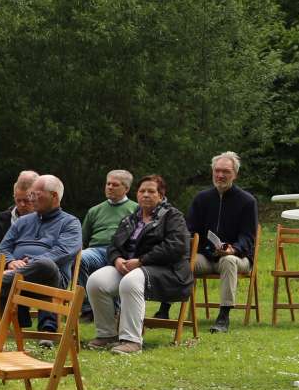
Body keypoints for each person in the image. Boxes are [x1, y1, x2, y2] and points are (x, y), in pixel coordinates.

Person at [86, 174, 192, 355]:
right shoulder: (131, 218)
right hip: (132, 268)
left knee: (131, 281)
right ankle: (107, 335)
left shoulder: (173, 216)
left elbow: (176, 247)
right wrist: (117, 259)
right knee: (96, 281)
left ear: (161, 195)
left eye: (151, 191)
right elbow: (114, 245)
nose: (146, 195)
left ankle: (131, 341)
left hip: (168, 272)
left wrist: (142, 261)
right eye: (142, 191)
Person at [0, 174, 82, 330]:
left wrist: (28, 263)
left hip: (51, 279)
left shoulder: (70, 223)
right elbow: (2, 248)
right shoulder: (22, 221)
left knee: (46, 264)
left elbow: (63, 252)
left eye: (35, 194)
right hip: (17, 275)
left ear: (54, 196)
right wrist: (11, 261)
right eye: (31, 194)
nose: (31, 199)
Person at [187, 151, 258, 333]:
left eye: (225, 171)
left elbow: (248, 237)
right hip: (208, 256)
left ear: (235, 174)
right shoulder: (201, 199)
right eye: (217, 171)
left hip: (238, 258)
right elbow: (191, 231)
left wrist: (233, 249)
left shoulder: (247, 201)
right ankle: (166, 308)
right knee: (185, 262)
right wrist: (208, 249)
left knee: (228, 261)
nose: (220, 175)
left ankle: (223, 317)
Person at [79, 170, 138, 294]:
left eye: (115, 185)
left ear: (126, 189)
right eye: (108, 184)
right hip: (96, 251)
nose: (110, 187)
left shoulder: (136, 209)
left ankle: (115, 309)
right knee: (80, 258)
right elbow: (82, 240)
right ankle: (86, 308)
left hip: (122, 253)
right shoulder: (94, 210)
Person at [0, 171, 40, 245]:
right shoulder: (3, 219)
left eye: (26, 201)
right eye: (18, 200)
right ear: (14, 197)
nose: (22, 204)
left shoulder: (50, 219)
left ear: (37, 198)